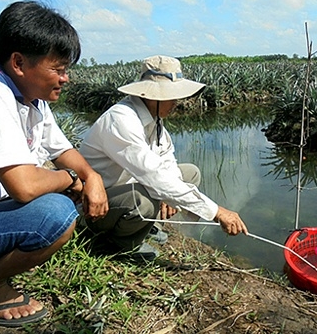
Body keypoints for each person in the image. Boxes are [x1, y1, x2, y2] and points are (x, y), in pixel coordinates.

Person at [0, 1, 108, 327]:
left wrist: (91, 176)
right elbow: (25, 186)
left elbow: (60, 148)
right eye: (57, 69)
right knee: (55, 214)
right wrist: (71, 179)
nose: (65, 78)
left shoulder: (30, 98)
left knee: (64, 197)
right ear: (18, 62)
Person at [78, 55, 248, 261]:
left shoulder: (155, 122)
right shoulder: (121, 120)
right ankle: (119, 247)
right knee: (145, 200)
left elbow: (166, 162)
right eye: (172, 97)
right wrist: (216, 211)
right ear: (152, 96)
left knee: (189, 174)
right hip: (96, 205)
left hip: (127, 188)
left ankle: (148, 226)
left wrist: (170, 195)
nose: (176, 102)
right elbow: (152, 175)